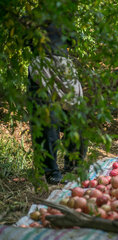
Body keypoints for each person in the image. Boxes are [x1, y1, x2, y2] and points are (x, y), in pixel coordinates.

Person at [27, 21, 87, 185]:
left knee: (76, 117)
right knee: (48, 121)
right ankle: (51, 170)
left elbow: (73, 41)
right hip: (42, 66)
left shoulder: (63, 17)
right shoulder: (32, 18)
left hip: (63, 66)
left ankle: (74, 165)